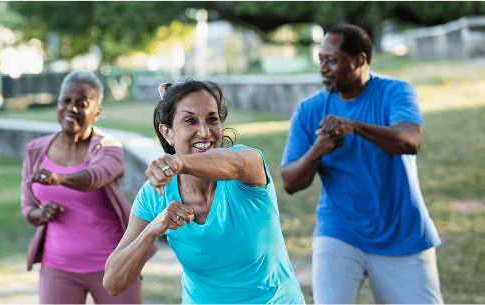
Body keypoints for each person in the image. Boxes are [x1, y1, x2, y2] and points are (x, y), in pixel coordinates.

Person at [280, 24, 444, 304]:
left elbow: (409, 140)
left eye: (331, 60)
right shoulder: (309, 110)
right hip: (339, 230)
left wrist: (353, 126)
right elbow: (290, 182)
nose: (323, 68)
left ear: (360, 60)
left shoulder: (395, 92)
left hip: (402, 232)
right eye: (320, 59)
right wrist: (317, 151)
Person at [103, 80, 305, 304]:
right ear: (167, 133)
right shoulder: (156, 195)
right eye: (190, 120)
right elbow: (113, 283)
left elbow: (234, 163)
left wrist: (179, 162)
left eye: (212, 119)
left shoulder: (248, 165)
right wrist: (151, 230)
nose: (204, 131)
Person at [21, 70, 156, 305]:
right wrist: (40, 214)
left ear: (97, 111)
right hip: (58, 266)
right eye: (66, 100)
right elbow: (28, 207)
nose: (71, 108)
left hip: (113, 264)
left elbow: (95, 176)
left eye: (81, 103)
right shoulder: (35, 150)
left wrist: (59, 179)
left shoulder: (108, 147)